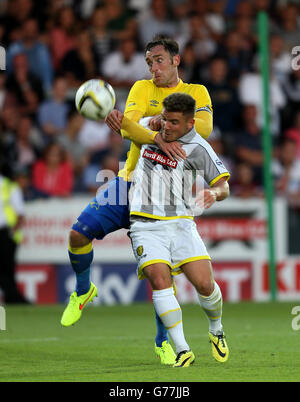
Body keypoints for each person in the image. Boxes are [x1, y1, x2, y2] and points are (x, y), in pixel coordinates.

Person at [60, 35, 213, 365]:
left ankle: (164, 343)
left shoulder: (197, 93)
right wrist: (158, 131)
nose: (153, 67)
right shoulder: (142, 89)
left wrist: (152, 125)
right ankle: (83, 289)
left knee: (163, 275)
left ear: (176, 60)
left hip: (166, 194)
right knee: (77, 234)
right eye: (148, 62)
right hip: (129, 181)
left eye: (158, 60)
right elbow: (127, 129)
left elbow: (204, 127)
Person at [127, 92, 230, 367]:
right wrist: (146, 127)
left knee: (205, 285)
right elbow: (126, 125)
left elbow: (224, 185)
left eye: (174, 122)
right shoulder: (155, 125)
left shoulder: (199, 147)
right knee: (160, 282)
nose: (167, 126)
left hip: (181, 223)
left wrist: (213, 194)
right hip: (145, 224)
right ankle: (183, 349)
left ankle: (216, 330)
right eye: (165, 119)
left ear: (189, 123)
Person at [0, 172, 28, 303]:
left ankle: (14, 298)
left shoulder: (10, 187)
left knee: (7, 268)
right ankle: (14, 298)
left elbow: (20, 214)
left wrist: (11, 234)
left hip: (6, 233)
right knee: (6, 270)